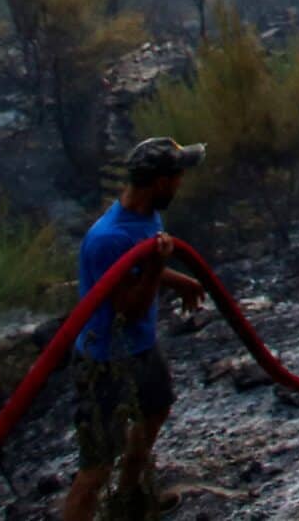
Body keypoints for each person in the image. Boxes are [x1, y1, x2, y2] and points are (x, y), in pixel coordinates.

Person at [66, 136, 208, 521]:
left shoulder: (146, 216)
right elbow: (129, 307)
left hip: (142, 347)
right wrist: (157, 269)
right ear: (160, 181)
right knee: (95, 467)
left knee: (155, 410)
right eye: (178, 176)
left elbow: (140, 272)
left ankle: (130, 499)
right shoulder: (108, 239)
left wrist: (181, 282)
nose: (181, 183)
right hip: (105, 363)